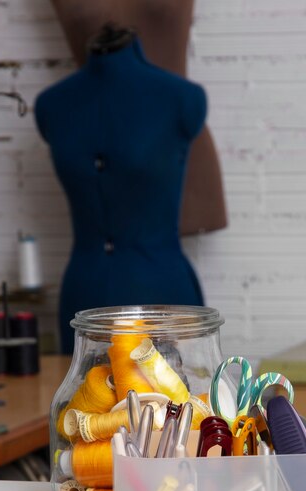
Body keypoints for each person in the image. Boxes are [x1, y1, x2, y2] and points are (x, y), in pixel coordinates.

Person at [35, 24, 209, 353]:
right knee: (81, 402)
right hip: (83, 299)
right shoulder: (52, 106)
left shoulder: (181, 99)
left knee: (178, 401)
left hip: (160, 296)